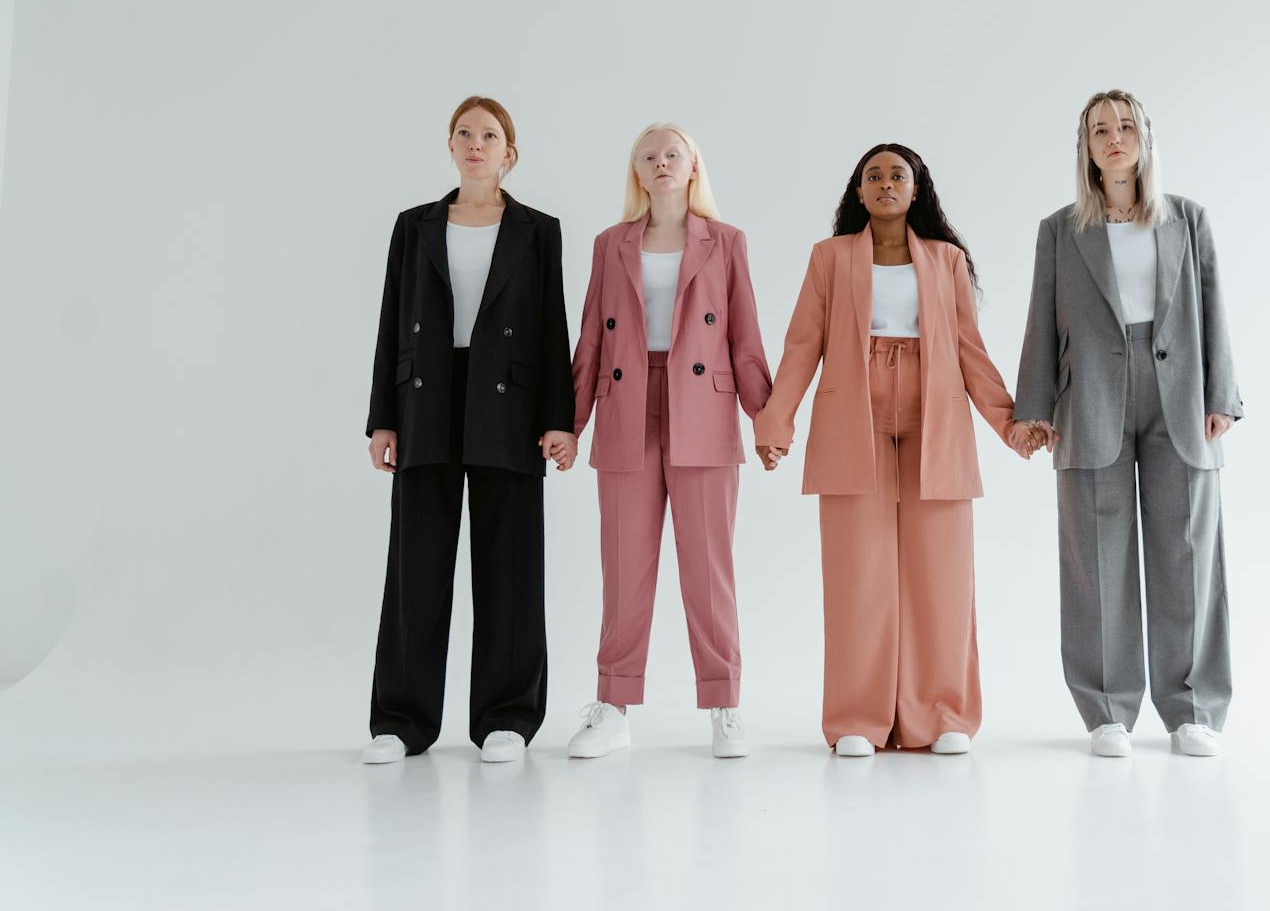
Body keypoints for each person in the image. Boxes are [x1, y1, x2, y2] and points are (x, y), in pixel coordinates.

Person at [754, 143, 1032, 757]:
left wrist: (1011, 424)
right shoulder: (829, 259)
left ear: (916, 189)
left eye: (896, 175)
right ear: (858, 191)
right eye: (872, 175)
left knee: (943, 576)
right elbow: (803, 344)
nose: (884, 183)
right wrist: (776, 421)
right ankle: (857, 718)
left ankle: (942, 716)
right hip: (853, 419)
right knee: (858, 576)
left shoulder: (946, 260)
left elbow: (969, 350)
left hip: (938, 420)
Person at [1013, 89, 1242, 758]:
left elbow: (1214, 305)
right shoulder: (1061, 230)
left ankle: (1193, 706)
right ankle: (1107, 708)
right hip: (1090, 396)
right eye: (1099, 130)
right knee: (1096, 551)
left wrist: (1222, 392)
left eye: (1125, 126)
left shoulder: (1187, 219)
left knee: (1187, 549)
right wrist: (1034, 407)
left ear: (1146, 137)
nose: (1114, 138)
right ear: (1085, 148)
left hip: (1182, 395)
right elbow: (1041, 318)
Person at [361, 96, 576, 765]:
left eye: (489, 134)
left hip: (507, 402)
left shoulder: (539, 230)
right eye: (464, 132)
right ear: (449, 146)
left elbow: (551, 329)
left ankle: (507, 716)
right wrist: (382, 418)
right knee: (416, 564)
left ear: (510, 153)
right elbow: (392, 319)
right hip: (426, 396)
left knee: (510, 563)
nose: (475, 142)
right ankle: (401, 721)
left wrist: (557, 419)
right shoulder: (415, 225)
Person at [563, 124, 772, 759]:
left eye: (671, 154)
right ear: (636, 171)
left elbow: (744, 338)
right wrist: (568, 425)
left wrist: (768, 421)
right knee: (624, 568)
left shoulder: (726, 242)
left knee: (709, 569)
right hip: (626, 406)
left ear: (692, 167)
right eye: (648, 156)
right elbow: (591, 341)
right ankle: (614, 706)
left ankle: (725, 706)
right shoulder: (610, 244)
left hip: (703, 411)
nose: (660, 163)